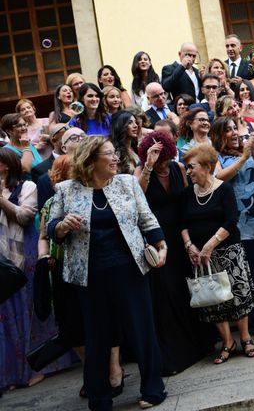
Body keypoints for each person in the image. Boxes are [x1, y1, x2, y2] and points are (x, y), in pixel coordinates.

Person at [47, 136, 168, 410]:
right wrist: (62, 226)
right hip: (89, 275)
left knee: (142, 330)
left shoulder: (127, 183)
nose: (115, 159)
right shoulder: (66, 190)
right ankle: (99, 397)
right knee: (98, 336)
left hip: (131, 269)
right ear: (90, 159)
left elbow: (146, 217)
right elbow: (50, 228)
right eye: (109, 154)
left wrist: (161, 244)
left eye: (115, 153)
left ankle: (153, 388)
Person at [1, 148, 74, 391]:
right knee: (10, 315)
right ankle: (15, 372)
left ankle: (41, 366)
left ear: (8, 165)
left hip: (27, 255)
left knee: (34, 311)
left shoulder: (27, 187)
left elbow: (24, 216)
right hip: (2, 261)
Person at [180, 143, 254, 363]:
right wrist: (190, 246)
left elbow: (231, 220)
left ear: (206, 166)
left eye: (191, 167)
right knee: (212, 299)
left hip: (228, 250)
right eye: (187, 168)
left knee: (238, 294)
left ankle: (245, 338)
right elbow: (182, 223)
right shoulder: (187, 194)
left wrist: (210, 245)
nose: (188, 171)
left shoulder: (223, 188)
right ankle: (227, 342)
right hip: (201, 257)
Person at [135, 131, 203, 374]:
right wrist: (149, 167)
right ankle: (174, 351)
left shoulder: (178, 169)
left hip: (181, 233)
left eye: (165, 158)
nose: (164, 162)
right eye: (159, 158)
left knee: (186, 287)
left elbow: (187, 200)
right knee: (166, 291)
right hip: (157, 238)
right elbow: (137, 198)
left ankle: (197, 344)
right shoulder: (142, 171)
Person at [213, 117, 254, 340]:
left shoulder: (248, 150)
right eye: (228, 130)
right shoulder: (217, 157)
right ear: (219, 135)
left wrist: (253, 153)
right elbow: (219, 178)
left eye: (235, 128)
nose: (234, 133)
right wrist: (242, 158)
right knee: (252, 273)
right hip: (242, 222)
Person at [0, 113, 44, 177]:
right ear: (9, 131)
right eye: (19, 126)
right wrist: (26, 147)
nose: (24, 128)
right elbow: (25, 169)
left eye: (24, 125)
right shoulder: (7, 151)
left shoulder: (29, 144)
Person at [109, 111, 140, 175]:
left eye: (135, 122)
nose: (136, 126)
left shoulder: (135, 148)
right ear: (121, 126)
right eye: (130, 123)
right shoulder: (115, 152)